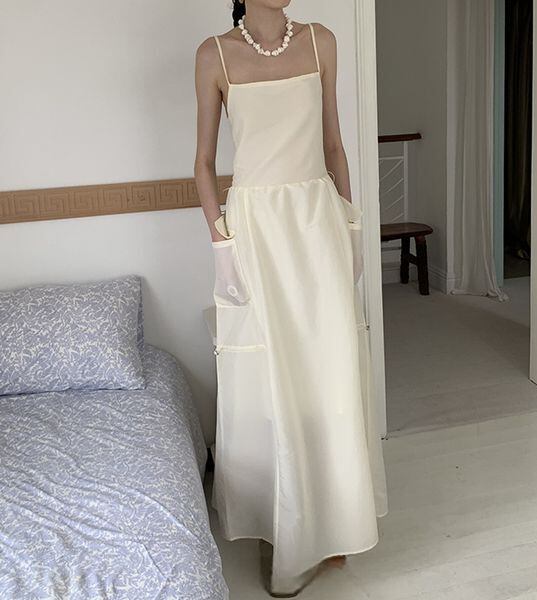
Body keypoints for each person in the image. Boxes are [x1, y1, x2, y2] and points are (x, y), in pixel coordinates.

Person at [194, 0, 388, 596]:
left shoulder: (322, 40)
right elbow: (203, 163)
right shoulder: (215, 55)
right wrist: (221, 243)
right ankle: (287, 529)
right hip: (256, 230)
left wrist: (351, 225)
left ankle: (335, 524)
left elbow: (334, 145)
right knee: (272, 378)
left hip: (316, 222)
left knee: (329, 371)